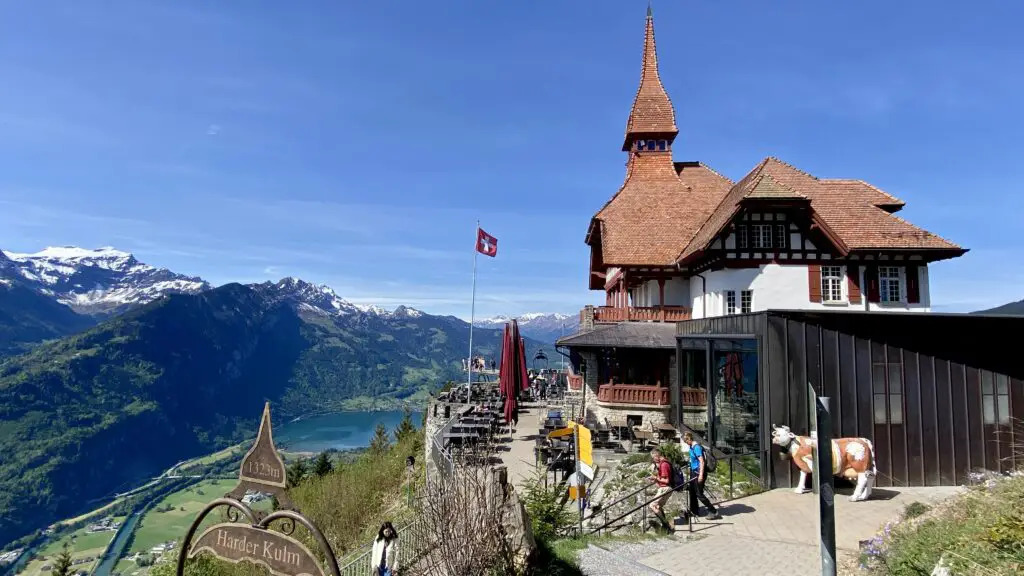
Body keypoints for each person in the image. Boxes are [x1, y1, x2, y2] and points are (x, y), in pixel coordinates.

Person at [683, 432, 721, 520]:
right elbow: (694, 459)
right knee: (692, 491)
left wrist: (700, 475)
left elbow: (702, 461)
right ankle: (694, 510)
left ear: (689, 439)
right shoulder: (691, 447)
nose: (686, 443)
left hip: (699, 473)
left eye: (686, 441)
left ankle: (714, 511)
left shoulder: (696, 447)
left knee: (699, 493)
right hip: (694, 471)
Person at [648, 449, 673, 528]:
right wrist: (656, 479)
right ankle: (665, 526)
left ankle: (665, 524)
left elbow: (666, 480)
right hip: (665, 488)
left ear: (656, 456)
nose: (653, 459)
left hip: (665, 488)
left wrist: (655, 477)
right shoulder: (663, 463)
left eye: (653, 457)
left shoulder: (664, 465)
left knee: (652, 505)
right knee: (658, 506)